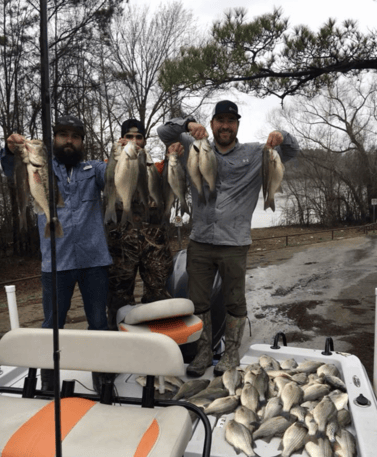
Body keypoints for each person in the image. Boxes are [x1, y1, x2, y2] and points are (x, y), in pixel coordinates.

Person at [157, 100, 300, 377]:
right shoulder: (193, 144)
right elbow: (164, 132)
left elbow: (292, 150)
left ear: (237, 125)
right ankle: (202, 354)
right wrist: (188, 124)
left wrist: (283, 135)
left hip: (234, 243)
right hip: (199, 240)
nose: (225, 125)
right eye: (220, 120)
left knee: (235, 301)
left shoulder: (256, 153)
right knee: (197, 302)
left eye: (231, 121)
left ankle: (231, 354)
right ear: (212, 124)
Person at [2, 116, 113, 393]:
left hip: (95, 261)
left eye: (75, 136)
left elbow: (112, 175)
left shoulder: (94, 168)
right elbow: (8, 169)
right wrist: (9, 149)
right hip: (55, 262)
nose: (68, 141)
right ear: (54, 139)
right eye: (63, 135)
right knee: (53, 323)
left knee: (99, 322)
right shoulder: (38, 166)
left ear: (82, 142)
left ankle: (102, 375)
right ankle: (49, 378)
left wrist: (123, 156)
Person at [106, 119, 173, 330]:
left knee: (158, 297)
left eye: (139, 137)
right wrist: (114, 155)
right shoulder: (113, 163)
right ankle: (120, 347)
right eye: (129, 136)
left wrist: (174, 155)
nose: (134, 141)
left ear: (144, 140)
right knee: (118, 300)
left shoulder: (157, 167)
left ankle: (160, 344)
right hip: (121, 246)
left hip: (155, 247)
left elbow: (174, 180)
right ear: (122, 139)